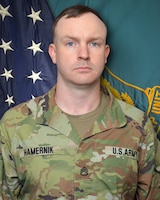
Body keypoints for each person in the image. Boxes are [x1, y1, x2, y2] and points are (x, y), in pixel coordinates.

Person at [0, 4, 159, 200]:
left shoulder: (138, 126)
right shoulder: (15, 125)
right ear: (53, 53)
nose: (83, 54)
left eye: (94, 43)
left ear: (106, 53)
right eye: (70, 43)